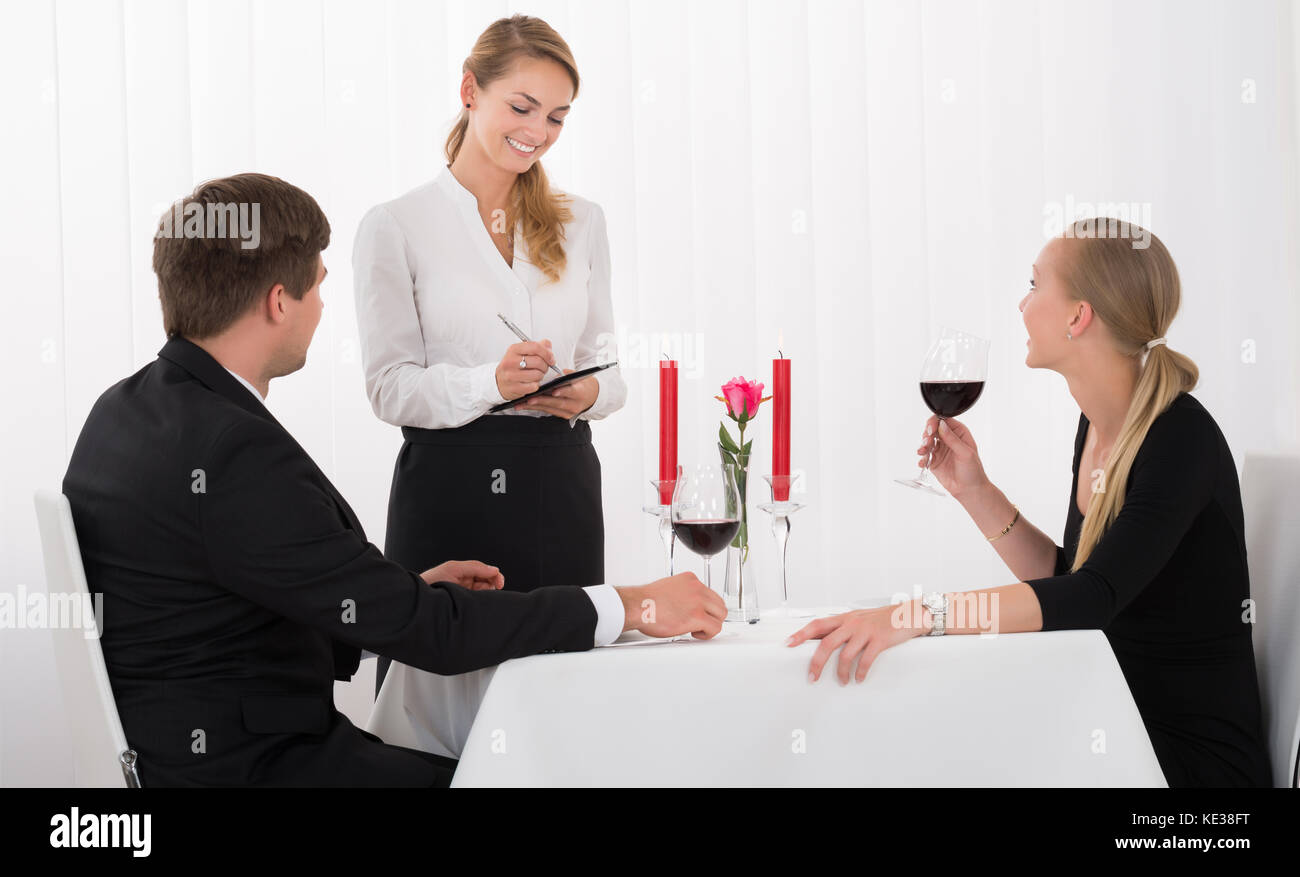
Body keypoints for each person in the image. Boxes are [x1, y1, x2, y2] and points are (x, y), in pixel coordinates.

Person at [61, 172, 723, 787]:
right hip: (257, 768)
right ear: (278, 301)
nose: (324, 307)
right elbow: (436, 635)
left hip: (181, 753)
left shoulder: (123, 412)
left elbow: (224, 599)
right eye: (318, 285)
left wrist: (402, 590)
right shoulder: (234, 450)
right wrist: (632, 604)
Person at [788, 218, 1272, 788]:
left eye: (1036, 284)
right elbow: (1074, 580)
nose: (1022, 303)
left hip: (1190, 774)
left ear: (1078, 316)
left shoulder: (1179, 438)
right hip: (1114, 729)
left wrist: (918, 615)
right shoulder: (1096, 428)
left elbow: (1092, 600)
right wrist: (976, 490)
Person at [352, 15, 627, 696]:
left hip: (561, 484)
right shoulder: (396, 225)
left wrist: (584, 393)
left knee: (558, 694)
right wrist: (491, 382)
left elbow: (610, 368)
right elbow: (389, 387)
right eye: (523, 106)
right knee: (437, 699)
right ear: (470, 90)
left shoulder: (582, 220)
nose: (539, 130)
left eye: (558, 116)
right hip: (451, 487)